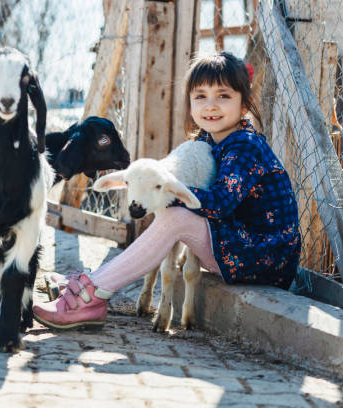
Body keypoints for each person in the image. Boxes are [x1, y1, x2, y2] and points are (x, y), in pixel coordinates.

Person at [32, 52, 301, 330]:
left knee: (175, 214)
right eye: (200, 97)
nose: (211, 105)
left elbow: (220, 202)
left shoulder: (244, 146)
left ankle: (93, 293)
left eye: (223, 96)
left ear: (244, 104)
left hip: (263, 258)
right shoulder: (210, 139)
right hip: (235, 245)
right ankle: (97, 281)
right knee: (173, 209)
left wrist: (168, 188)